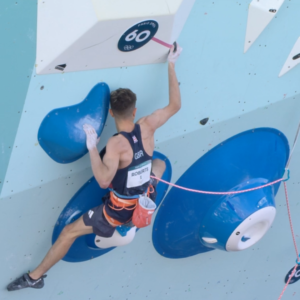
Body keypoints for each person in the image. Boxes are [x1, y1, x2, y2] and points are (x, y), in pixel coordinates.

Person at [7, 43, 182, 291]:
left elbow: (102, 180)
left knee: (68, 232)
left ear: (111, 113)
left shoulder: (115, 146)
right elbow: (175, 106)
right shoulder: (148, 125)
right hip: (145, 193)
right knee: (160, 163)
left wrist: (92, 148)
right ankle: (140, 202)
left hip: (120, 210)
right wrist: (171, 63)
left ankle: (34, 278)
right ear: (134, 110)